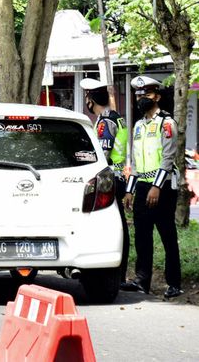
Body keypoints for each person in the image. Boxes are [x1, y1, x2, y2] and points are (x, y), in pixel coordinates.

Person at [122, 76, 183, 298]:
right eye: (138, 95)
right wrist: (130, 190)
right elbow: (136, 162)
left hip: (163, 187)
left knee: (167, 234)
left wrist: (156, 188)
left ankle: (174, 283)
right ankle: (141, 280)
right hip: (143, 186)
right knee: (142, 235)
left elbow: (168, 158)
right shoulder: (139, 126)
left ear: (156, 96)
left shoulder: (166, 123)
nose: (140, 99)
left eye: (145, 95)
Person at [80, 78, 130, 288]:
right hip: (119, 177)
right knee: (122, 227)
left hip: (112, 178)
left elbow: (103, 155)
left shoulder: (105, 121)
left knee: (116, 227)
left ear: (90, 99)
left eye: (87, 98)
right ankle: (120, 275)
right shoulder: (116, 118)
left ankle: (117, 275)